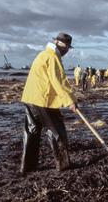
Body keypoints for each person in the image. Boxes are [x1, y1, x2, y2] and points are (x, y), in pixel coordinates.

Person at [20, 33, 77, 173]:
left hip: (30, 98)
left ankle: (28, 167)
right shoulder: (52, 57)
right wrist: (70, 101)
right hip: (44, 100)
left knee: (31, 132)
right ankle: (63, 165)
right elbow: (58, 81)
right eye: (67, 47)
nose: (67, 51)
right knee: (57, 131)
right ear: (61, 45)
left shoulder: (43, 54)